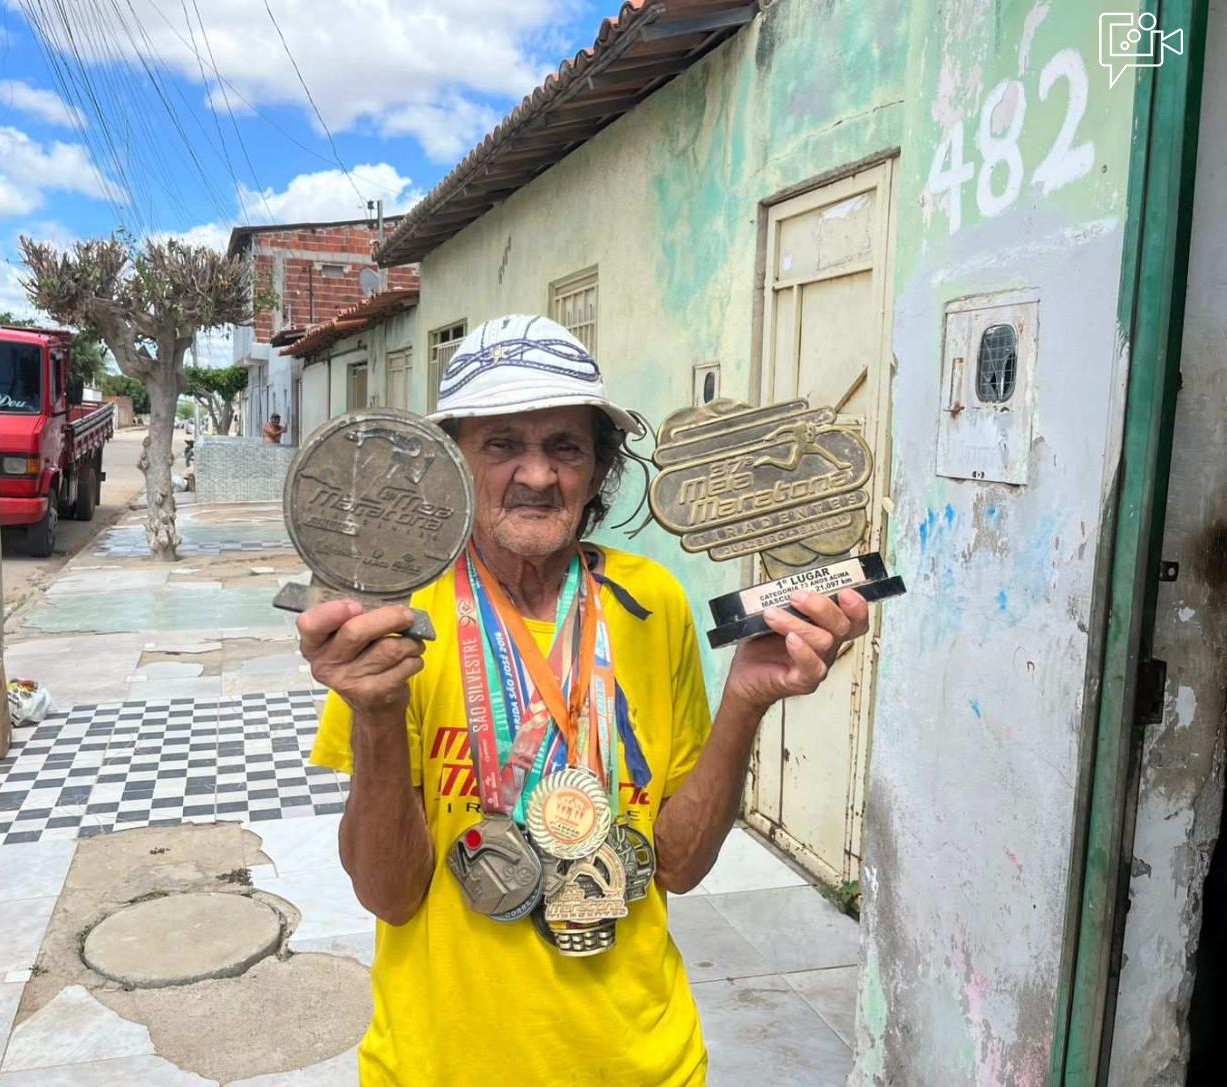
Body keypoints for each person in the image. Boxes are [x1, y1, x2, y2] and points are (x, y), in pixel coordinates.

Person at [301, 314, 869, 1086]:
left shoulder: (652, 599)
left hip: (642, 1062)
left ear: (600, 466)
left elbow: (676, 864)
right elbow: (389, 895)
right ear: (455, 462)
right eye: (502, 443)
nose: (536, 475)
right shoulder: (398, 622)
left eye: (564, 446)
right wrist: (374, 712)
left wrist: (745, 698)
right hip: (440, 1065)